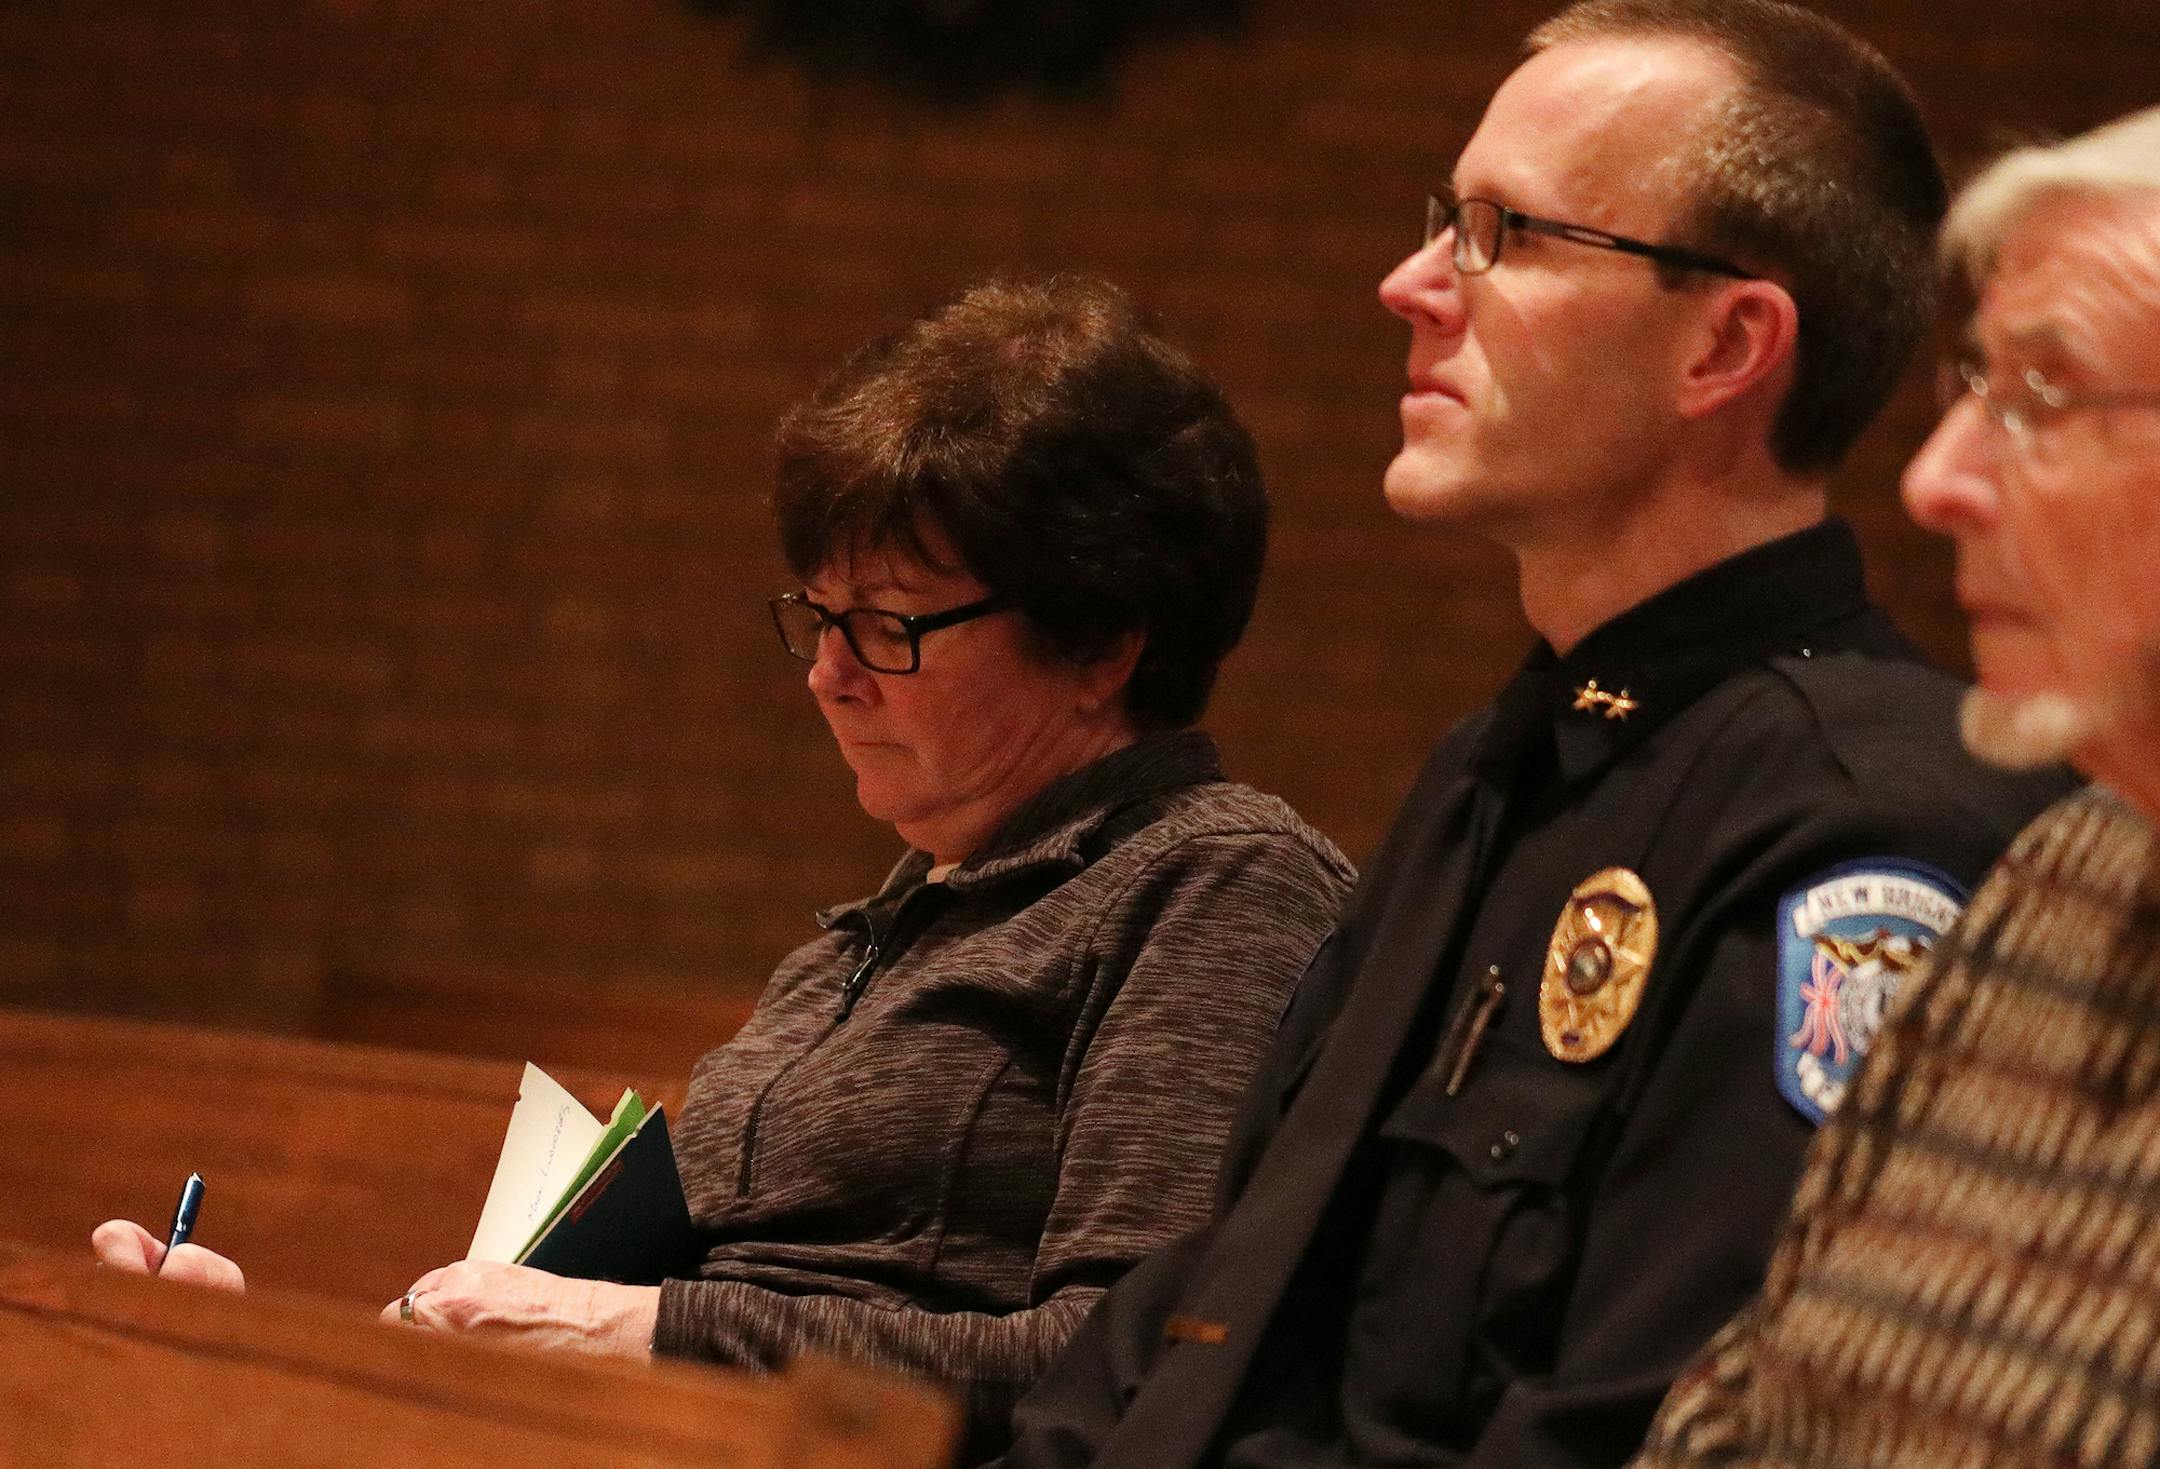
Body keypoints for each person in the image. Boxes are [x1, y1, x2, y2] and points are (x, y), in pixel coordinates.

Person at [996, 5, 2073, 1467]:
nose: (1411, 283)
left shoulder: (1867, 826)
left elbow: (1648, 1426)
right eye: (1443, 216)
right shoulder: (1498, 766)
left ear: (1727, 344)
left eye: (1505, 233)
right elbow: (1229, 1305)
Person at [93, 276, 1355, 1460]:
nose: (827, 670)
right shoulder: (854, 946)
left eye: (890, 624)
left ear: (1104, 640)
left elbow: (1131, 1367)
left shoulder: (1215, 884)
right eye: (818, 616)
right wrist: (282, 1348)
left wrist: (639, 1334)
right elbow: (607, 1326)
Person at [1633, 106, 2160, 1469]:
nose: (1937, 483)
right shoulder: (2064, 868)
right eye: (1969, 387)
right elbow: (1743, 1401)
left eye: (2043, 398)